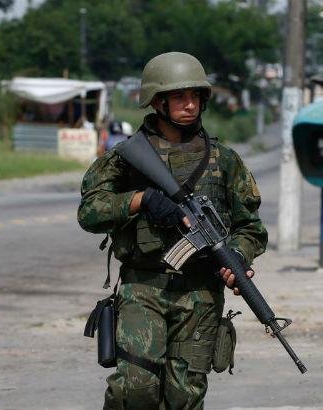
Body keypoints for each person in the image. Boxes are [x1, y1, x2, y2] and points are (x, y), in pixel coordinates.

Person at [77, 51, 267, 409]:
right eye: (180, 96)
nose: (190, 104)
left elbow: (251, 227)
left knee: (185, 396)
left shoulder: (224, 160)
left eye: (196, 96)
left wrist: (237, 256)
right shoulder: (126, 157)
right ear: (158, 101)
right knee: (135, 389)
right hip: (143, 288)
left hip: (201, 294)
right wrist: (139, 200)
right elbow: (89, 212)